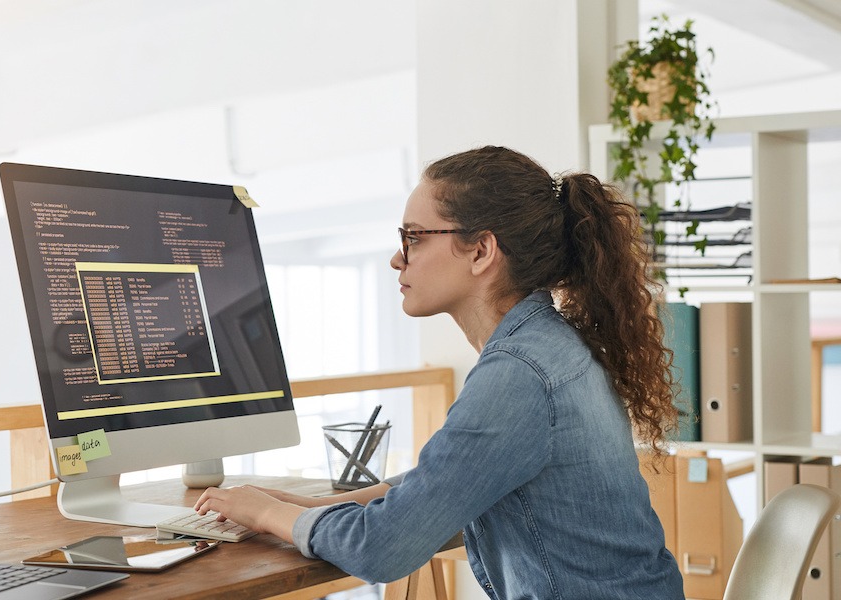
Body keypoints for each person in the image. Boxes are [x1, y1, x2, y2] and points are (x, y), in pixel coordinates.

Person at [195, 146, 684, 598]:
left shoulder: (519, 373)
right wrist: (304, 508)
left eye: (413, 238)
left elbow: (382, 549)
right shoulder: (546, 345)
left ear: (481, 251)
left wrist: (264, 512)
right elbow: (455, 475)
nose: (396, 257)